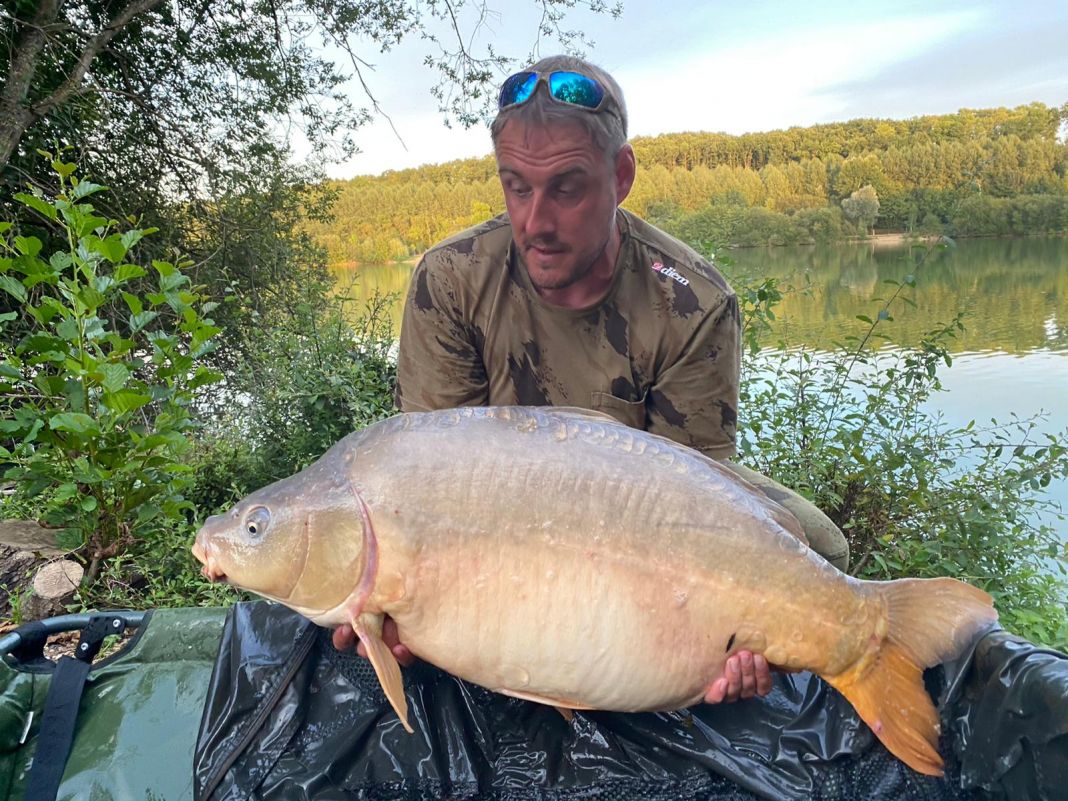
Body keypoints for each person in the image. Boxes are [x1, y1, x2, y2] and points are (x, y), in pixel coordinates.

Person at [335, 54, 849, 705]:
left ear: (621, 176)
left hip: (634, 523)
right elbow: (427, 485)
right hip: (490, 521)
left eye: (567, 189)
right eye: (517, 187)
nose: (535, 222)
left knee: (819, 548)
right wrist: (402, 602)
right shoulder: (451, 279)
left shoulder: (692, 300)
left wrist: (712, 636)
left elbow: (693, 503)